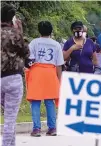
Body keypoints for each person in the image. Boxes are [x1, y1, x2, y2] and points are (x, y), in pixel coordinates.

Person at [26, 21, 64, 137]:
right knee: (50, 101)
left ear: (39, 31)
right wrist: (59, 79)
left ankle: (36, 129)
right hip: (50, 72)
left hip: (37, 72)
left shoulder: (34, 42)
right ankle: (52, 128)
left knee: (35, 101)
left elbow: (29, 60)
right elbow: (59, 64)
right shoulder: (56, 44)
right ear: (51, 31)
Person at [1, 3, 30, 146]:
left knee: (8, 116)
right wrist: (20, 32)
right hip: (13, 78)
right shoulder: (15, 34)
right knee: (10, 119)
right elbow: (26, 53)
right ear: (12, 18)